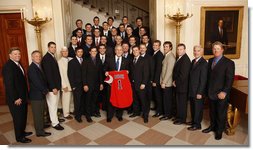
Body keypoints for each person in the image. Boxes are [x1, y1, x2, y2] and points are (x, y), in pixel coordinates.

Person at [202, 41, 235, 140]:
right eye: (214, 48)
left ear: (222, 50)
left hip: (221, 93)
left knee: (221, 113)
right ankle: (212, 126)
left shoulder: (229, 63)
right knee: (212, 112)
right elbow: (208, 77)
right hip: (211, 92)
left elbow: (230, 79)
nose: (215, 50)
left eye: (218, 48)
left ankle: (219, 131)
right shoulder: (211, 61)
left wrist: (224, 92)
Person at [2, 47, 32, 143]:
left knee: (23, 116)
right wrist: (16, 98)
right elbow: (9, 85)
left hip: (22, 96)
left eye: (19, 54)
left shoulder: (18, 64)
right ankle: (19, 137)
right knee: (18, 117)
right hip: (16, 98)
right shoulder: (8, 66)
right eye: (15, 54)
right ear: (10, 55)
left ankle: (22, 132)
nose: (18, 55)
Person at [27, 50, 51, 137]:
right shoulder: (32, 68)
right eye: (36, 56)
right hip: (36, 96)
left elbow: (42, 80)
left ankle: (42, 126)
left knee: (41, 112)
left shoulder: (38, 66)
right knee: (37, 114)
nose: (38, 58)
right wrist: (45, 90)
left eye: (39, 56)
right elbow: (37, 82)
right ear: (32, 57)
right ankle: (40, 132)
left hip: (40, 94)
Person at [41, 41, 64, 130]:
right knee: (52, 106)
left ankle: (55, 119)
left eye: (54, 47)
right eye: (51, 47)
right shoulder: (46, 58)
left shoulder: (52, 57)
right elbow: (48, 75)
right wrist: (53, 87)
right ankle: (55, 123)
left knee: (55, 105)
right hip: (52, 88)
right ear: (48, 48)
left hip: (56, 86)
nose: (53, 49)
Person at [105, 45, 130, 122]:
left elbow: (129, 70)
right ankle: (109, 116)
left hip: (121, 85)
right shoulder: (109, 60)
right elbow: (104, 69)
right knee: (110, 99)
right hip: (111, 84)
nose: (119, 51)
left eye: (120, 50)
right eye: (117, 50)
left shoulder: (126, 60)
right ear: (115, 51)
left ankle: (119, 115)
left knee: (120, 98)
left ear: (122, 51)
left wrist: (127, 72)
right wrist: (105, 72)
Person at [187, 45, 208, 131]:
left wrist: (200, 92)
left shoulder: (204, 63)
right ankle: (193, 121)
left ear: (202, 52)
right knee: (193, 107)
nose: (196, 52)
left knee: (198, 108)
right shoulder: (193, 61)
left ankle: (197, 124)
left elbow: (203, 80)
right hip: (192, 89)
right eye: (195, 50)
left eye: (198, 51)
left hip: (198, 91)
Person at [83, 46, 103, 122]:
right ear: (90, 52)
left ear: (97, 52)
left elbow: (100, 73)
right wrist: (85, 84)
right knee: (88, 100)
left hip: (97, 84)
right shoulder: (86, 60)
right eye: (92, 51)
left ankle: (93, 112)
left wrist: (101, 83)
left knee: (95, 100)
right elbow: (83, 73)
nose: (94, 52)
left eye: (95, 51)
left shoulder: (99, 60)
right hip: (88, 84)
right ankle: (88, 115)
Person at [172, 43, 191, 125]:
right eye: (178, 49)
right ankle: (179, 117)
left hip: (182, 86)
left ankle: (182, 119)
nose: (179, 51)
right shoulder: (180, 58)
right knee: (178, 102)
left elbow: (183, 75)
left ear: (185, 50)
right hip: (179, 85)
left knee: (182, 104)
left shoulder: (185, 59)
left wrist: (176, 82)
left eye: (181, 49)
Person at [129, 46, 149, 123]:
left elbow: (146, 73)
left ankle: (145, 116)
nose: (135, 52)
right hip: (133, 84)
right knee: (135, 99)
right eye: (133, 50)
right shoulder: (132, 60)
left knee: (143, 101)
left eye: (136, 50)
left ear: (139, 50)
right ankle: (136, 112)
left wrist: (143, 83)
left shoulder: (144, 60)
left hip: (141, 84)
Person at [159, 41, 176, 121]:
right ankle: (166, 113)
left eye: (166, 47)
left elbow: (169, 71)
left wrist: (164, 82)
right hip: (165, 82)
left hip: (167, 83)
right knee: (165, 99)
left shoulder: (171, 57)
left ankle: (167, 115)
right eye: (164, 46)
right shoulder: (166, 56)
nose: (165, 48)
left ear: (170, 48)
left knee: (167, 100)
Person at [68, 47, 84, 123]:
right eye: (79, 52)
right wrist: (73, 86)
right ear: (75, 52)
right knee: (77, 101)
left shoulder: (84, 60)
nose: (80, 53)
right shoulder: (71, 62)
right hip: (76, 86)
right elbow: (70, 75)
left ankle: (81, 112)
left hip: (84, 84)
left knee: (82, 100)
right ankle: (78, 116)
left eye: (81, 52)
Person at [58, 47, 73, 120]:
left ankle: (71, 110)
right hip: (66, 83)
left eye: (66, 51)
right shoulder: (60, 62)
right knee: (66, 99)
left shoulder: (71, 59)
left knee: (71, 98)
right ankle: (66, 114)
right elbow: (61, 74)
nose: (65, 52)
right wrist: (64, 85)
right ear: (61, 52)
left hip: (72, 83)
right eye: (63, 51)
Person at [152, 40, 164, 117]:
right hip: (154, 78)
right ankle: (157, 108)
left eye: (156, 45)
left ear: (159, 46)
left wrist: (155, 81)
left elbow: (158, 69)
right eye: (154, 45)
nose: (155, 46)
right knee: (155, 95)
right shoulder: (155, 54)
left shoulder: (159, 55)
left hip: (156, 79)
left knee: (158, 95)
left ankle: (159, 111)